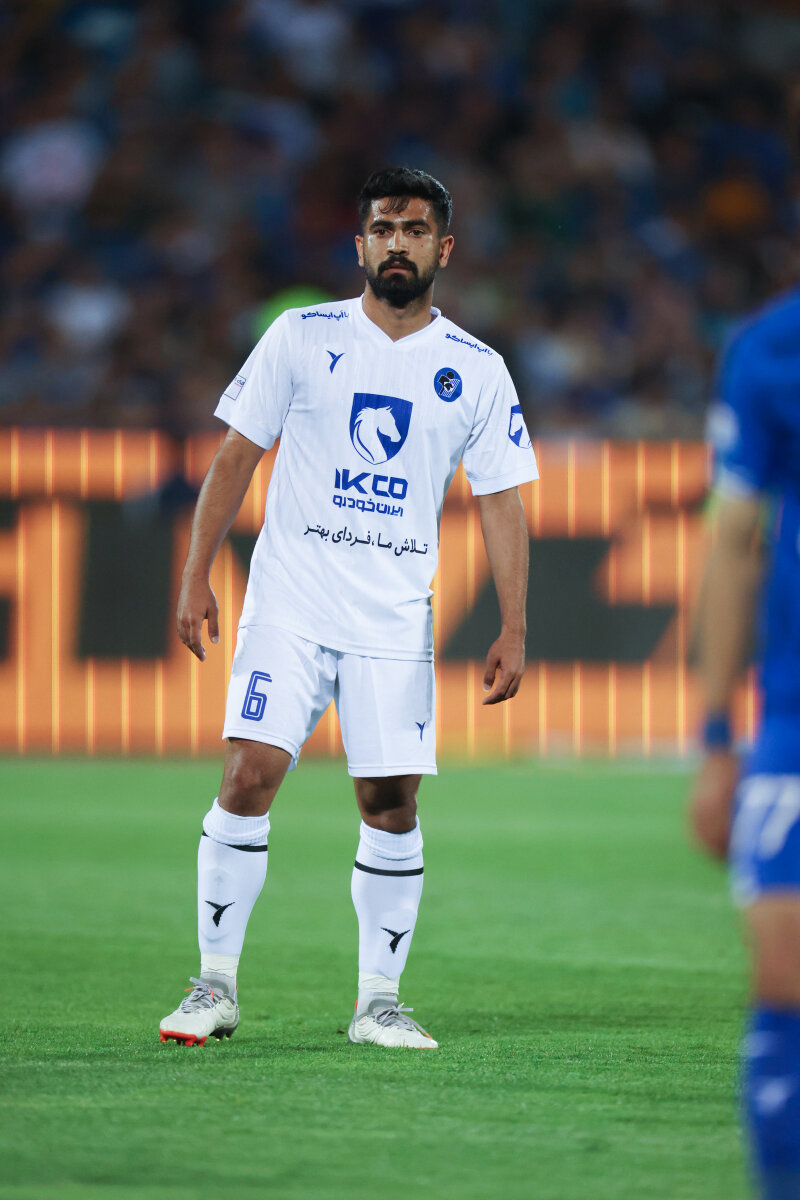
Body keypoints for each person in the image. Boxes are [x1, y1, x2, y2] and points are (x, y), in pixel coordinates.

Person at [159, 167, 538, 1049]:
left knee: (389, 801)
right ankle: (213, 985)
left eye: (415, 230)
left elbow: (501, 499)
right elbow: (236, 456)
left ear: (443, 249)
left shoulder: (476, 369)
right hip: (289, 603)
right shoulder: (301, 335)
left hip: (394, 618)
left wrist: (515, 624)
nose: (397, 243)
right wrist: (195, 572)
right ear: (359, 244)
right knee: (248, 774)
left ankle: (378, 1002)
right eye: (383, 229)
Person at [690, 287, 800, 1195]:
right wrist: (719, 738)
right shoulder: (771, 348)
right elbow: (733, 544)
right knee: (783, 965)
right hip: (794, 715)